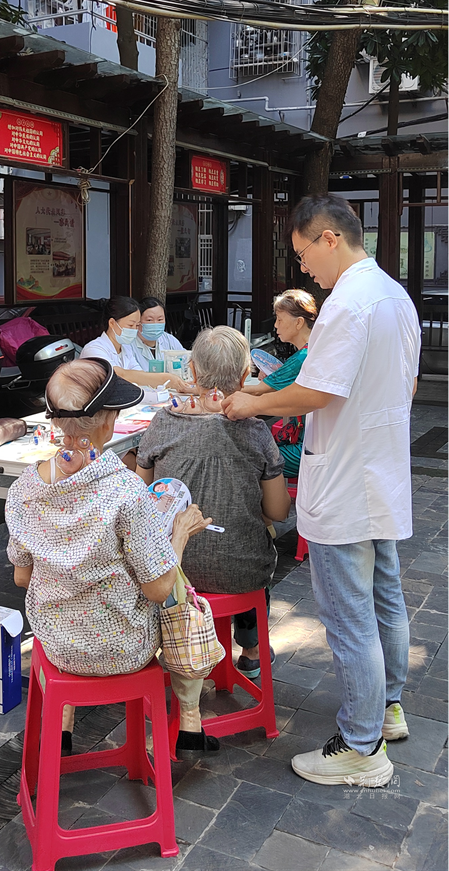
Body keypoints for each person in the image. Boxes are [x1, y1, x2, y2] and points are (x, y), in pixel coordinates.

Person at [222, 194, 421, 788]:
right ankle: (386, 710)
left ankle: (360, 747)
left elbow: (318, 392)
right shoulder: (396, 297)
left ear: (330, 238)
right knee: (384, 598)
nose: (304, 268)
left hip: (345, 482)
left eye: (304, 253)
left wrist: (249, 405)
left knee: (348, 614)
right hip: (379, 471)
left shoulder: (348, 304)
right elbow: (404, 387)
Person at [5, 357, 219, 754]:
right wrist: (179, 536)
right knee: (178, 589)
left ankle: (63, 724)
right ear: (108, 421)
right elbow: (158, 589)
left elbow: (23, 577)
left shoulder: (23, 490)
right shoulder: (126, 491)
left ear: (57, 421)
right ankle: (190, 715)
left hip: (55, 645)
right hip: (124, 648)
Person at [135, 326, 290, 677]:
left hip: (172, 567)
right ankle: (251, 649)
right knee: (254, 548)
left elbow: (143, 497)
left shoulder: (162, 423)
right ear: (245, 375)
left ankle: (173, 645)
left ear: (191, 370)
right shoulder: (256, 431)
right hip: (241, 570)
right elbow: (278, 511)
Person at [245, 289, 318, 477]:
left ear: (298, 322)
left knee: (249, 458)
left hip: (307, 445)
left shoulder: (302, 357)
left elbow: (257, 391)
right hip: (311, 438)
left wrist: (212, 389)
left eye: (280, 319)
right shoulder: (313, 349)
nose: (276, 325)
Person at [80, 296, 193, 392]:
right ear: (112, 323)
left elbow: (140, 375)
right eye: (130, 325)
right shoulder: (94, 349)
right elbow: (120, 375)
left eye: (137, 325)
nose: (134, 330)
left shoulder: (125, 349)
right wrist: (166, 378)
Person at [128, 296, 185, 371]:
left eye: (160, 319)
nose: (155, 323)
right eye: (149, 320)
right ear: (138, 321)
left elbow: (186, 361)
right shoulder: (129, 344)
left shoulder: (169, 340)